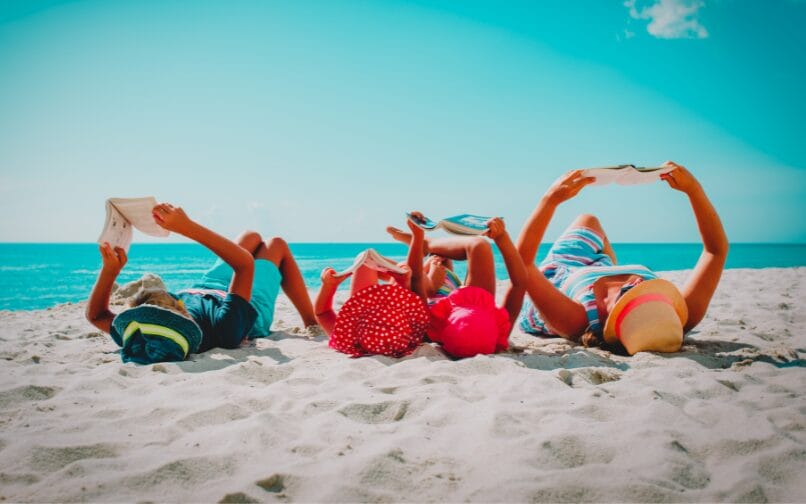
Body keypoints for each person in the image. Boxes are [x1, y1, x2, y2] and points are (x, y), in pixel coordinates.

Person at [515, 161, 728, 355]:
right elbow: (716, 251)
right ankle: (606, 268)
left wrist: (550, 199)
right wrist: (693, 190)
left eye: (630, 293)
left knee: (585, 220)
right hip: (594, 271)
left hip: (557, 281)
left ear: (615, 317)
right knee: (589, 220)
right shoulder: (680, 316)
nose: (637, 282)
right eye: (649, 290)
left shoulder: (577, 320)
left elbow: (522, 262)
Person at [86, 203, 317, 363]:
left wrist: (110, 270)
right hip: (246, 305)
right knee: (275, 245)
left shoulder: (143, 333)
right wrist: (186, 227)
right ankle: (312, 321)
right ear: (178, 310)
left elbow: (96, 315)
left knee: (250, 237)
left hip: (207, 288)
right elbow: (244, 265)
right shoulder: (225, 328)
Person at [387, 213, 527, 358]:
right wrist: (501, 237)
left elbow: (415, 277)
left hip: (434, 291)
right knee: (478, 245)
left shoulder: (426, 328)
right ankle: (428, 246)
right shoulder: (496, 332)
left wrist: (417, 237)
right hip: (463, 301)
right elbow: (520, 283)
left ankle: (427, 245)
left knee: (407, 272)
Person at [314, 219, 430, 358]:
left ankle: (395, 274)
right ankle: (394, 273)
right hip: (391, 312)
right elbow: (322, 313)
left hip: (395, 309)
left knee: (366, 259)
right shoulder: (350, 339)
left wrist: (328, 286)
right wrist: (330, 286)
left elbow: (322, 313)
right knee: (394, 264)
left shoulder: (410, 335)